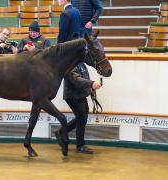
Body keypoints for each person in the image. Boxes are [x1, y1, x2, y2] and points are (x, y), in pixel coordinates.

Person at [55, 0, 101, 154]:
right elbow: (75, 79)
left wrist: (90, 87)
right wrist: (91, 84)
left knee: (83, 116)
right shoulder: (70, 60)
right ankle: (79, 144)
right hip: (72, 94)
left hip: (79, 92)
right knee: (82, 116)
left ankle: (62, 133)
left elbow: (83, 73)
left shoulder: (78, 59)